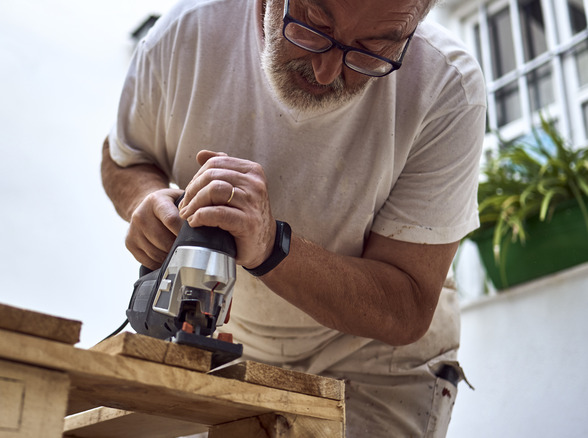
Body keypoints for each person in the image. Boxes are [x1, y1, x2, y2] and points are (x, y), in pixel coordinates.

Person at [101, 0, 485, 435]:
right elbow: (123, 159)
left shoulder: (447, 85)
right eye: (314, 28)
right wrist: (146, 201)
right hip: (233, 341)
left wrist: (272, 246)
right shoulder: (185, 33)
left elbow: (407, 305)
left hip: (376, 361)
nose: (328, 72)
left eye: (371, 50)